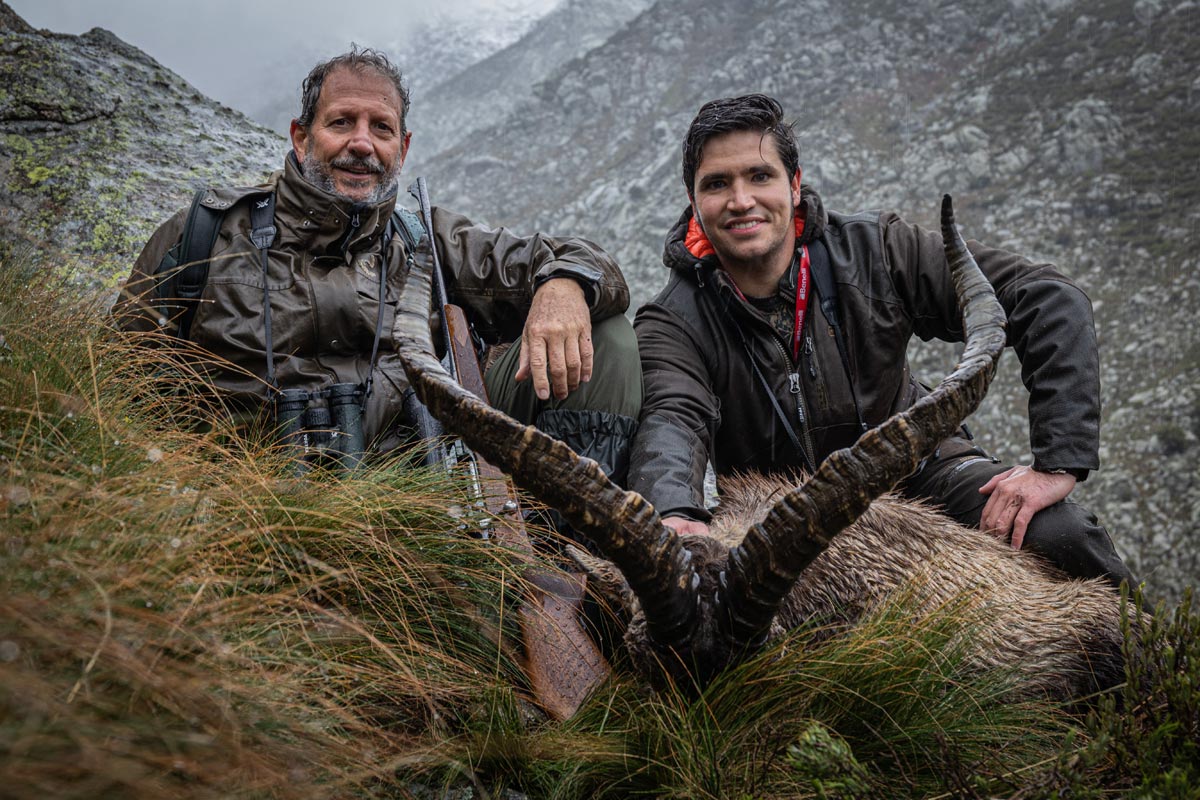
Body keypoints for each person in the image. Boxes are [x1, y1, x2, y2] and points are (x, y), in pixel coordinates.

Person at [627, 93, 1132, 587]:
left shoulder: (876, 251)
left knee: (1062, 535)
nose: (741, 200)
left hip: (922, 475)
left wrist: (1058, 462)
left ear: (794, 185)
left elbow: (1047, 296)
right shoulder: (671, 322)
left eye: (760, 176)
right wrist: (673, 513)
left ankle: (1153, 664)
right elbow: (672, 420)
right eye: (717, 184)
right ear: (694, 201)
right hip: (776, 523)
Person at [113, 47, 641, 482]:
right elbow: (111, 383)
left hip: (409, 501)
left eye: (381, 129)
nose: (361, 144)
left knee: (609, 334)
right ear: (301, 137)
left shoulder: (429, 241)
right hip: (235, 500)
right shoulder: (201, 236)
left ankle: (574, 556)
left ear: (402, 148)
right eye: (341, 122)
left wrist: (564, 283)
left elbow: (583, 258)